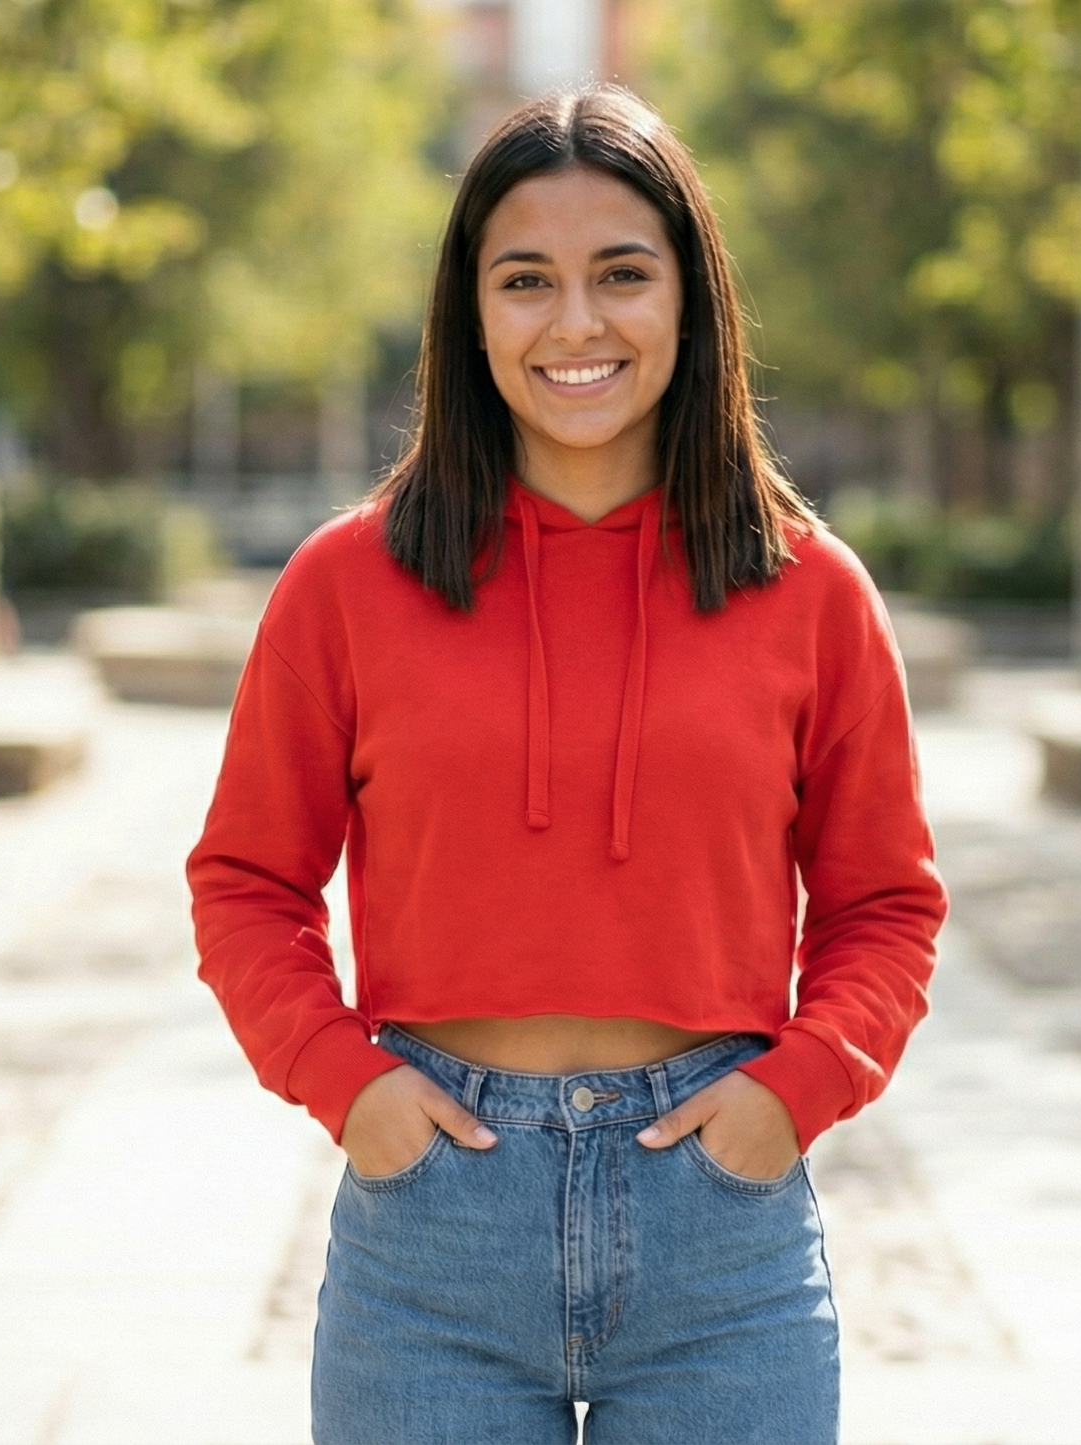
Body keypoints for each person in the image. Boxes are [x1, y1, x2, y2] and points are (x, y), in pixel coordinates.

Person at [188, 85, 946, 1445]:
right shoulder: (346, 584)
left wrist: (797, 1093)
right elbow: (247, 879)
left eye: (623, 276)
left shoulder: (809, 588)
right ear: (470, 310)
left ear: (690, 301)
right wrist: (346, 1085)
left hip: (722, 1244)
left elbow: (886, 904)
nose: (576, 324)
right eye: (526, 279)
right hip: (434, 1244)